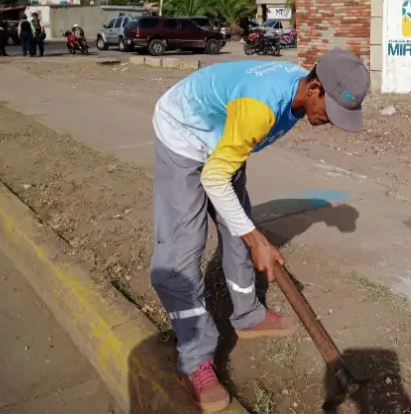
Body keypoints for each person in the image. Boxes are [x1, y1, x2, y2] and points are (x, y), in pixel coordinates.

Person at [150, 49, 370, 412]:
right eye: (331, 110)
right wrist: (257, 240)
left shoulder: (297, 91)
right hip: (183, 133)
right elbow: (214, 177)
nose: (332, 121)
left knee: (240, 229)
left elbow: (224, 169)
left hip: (223, 138)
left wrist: (250, 236)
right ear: (313, 87)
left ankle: (248, 315)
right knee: (182, 250)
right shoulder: (261, 107)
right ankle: (195, 360)